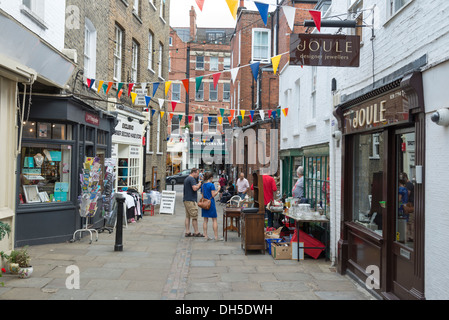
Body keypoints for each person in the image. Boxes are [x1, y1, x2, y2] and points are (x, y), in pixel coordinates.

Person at [201, 172, 223, 241]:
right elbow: (213, 195)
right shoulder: (211, 185)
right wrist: (218, 190)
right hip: (211, 203)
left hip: (204, 203)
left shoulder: (203, 185)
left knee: (205, 220)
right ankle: (216, 237)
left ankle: (205, 236)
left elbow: (202, 195)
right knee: (214, 220)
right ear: (211, 178)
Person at [183, 168, 204, 238]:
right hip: (191, 200)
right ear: (194, 172)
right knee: (194, 216)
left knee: (187, 216)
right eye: (197, 174)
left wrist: (197, 184)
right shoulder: (192, 179)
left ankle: (187, 231)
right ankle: (196, 232)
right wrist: (199, 185)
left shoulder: (187, 179)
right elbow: (194, 188)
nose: (198, 175)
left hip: (186, 199)